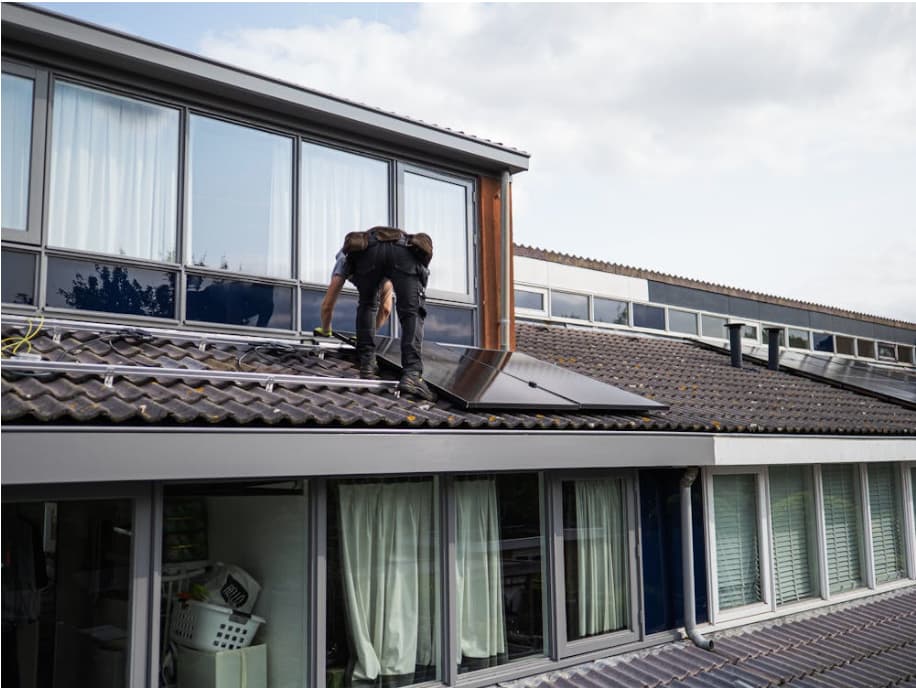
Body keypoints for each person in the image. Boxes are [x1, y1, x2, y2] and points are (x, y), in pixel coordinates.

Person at [343, 226, 434, 401]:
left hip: (369, 250)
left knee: (367, 304)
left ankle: (367, 364)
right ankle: (412, 374)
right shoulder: (406, 247)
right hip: (402, 253)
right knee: (411, 313)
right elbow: (387, 308)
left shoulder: (359, 249)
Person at [312, 250, 393, 336]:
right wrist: (369, 334)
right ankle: (365, 333)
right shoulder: (344, 261)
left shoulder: (344, 262)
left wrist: (325, 329)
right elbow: (386, 309)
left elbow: (327, 305)